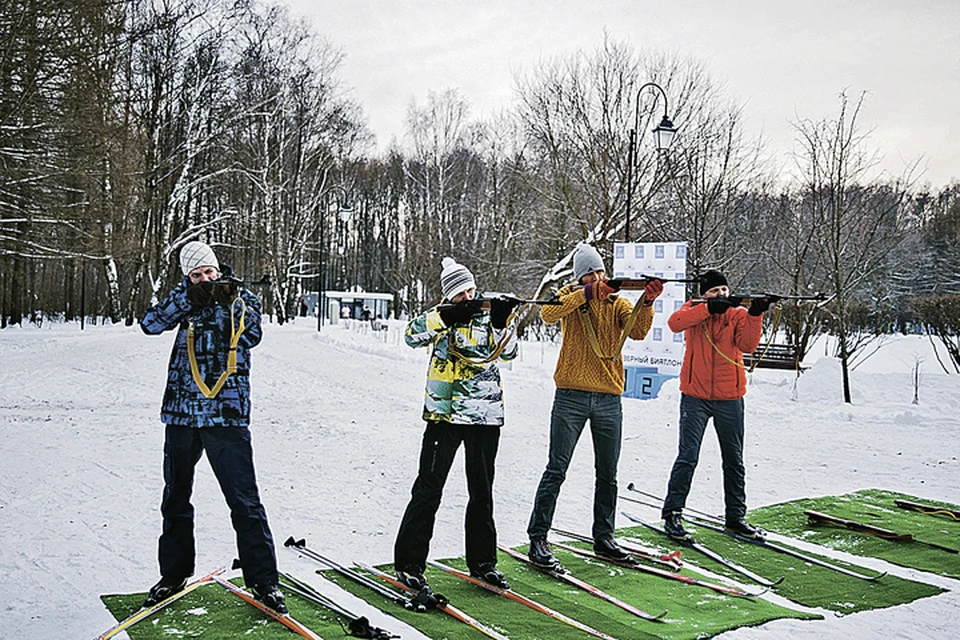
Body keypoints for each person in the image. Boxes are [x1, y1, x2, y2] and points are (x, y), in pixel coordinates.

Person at [139, 241, 286, 613]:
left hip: (226, 413)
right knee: (175, 497)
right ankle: (172, 575)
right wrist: (191, 298)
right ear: (187, 276)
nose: (206, 278)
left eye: (209, 272)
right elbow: (151, 324)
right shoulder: (183, 298)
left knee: (244, 500)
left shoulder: (238, 297)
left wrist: (223, 302)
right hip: (182, 413)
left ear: (218, 269)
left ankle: (264, 581)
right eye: (197, 274)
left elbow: (252, 335)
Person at [527, 244, 663, 569]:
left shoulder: (618, 302)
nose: (598, 276)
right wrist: (587, 292)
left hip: (608, 400)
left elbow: (640, 331)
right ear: (580, 276)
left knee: (608, 474)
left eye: (600, 271)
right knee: (556, 469)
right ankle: (538, 537)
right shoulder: (570, 297)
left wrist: (648, 300)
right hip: (570, 397)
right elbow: (548, 314)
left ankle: (605, 537)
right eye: (590, 273)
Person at [394, 257, 521, 590]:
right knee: (428, 488)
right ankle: (409, 563)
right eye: (460, 293)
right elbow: (410, 336)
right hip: (445, 415)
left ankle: (483, 562)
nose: (468, 297)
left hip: (485, 416)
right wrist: (446, 315)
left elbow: (510, 354)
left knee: (482, 491)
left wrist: (501, 320)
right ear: (449, 296)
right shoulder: (441, 318)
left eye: (470, 290)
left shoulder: (487, 317)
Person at [660, 269, 773, 540]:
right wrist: (708, 309)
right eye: (714, 292)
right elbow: (675, 323)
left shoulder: (736, 314)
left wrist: (755, 314)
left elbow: (748, 345)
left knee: (734, 459)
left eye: (723, 290)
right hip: (694, 396)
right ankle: (673, 514)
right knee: (687, 456)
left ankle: (736, 516)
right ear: (704, 295)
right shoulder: (694, 309)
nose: (721, 295)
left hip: (729, 397)